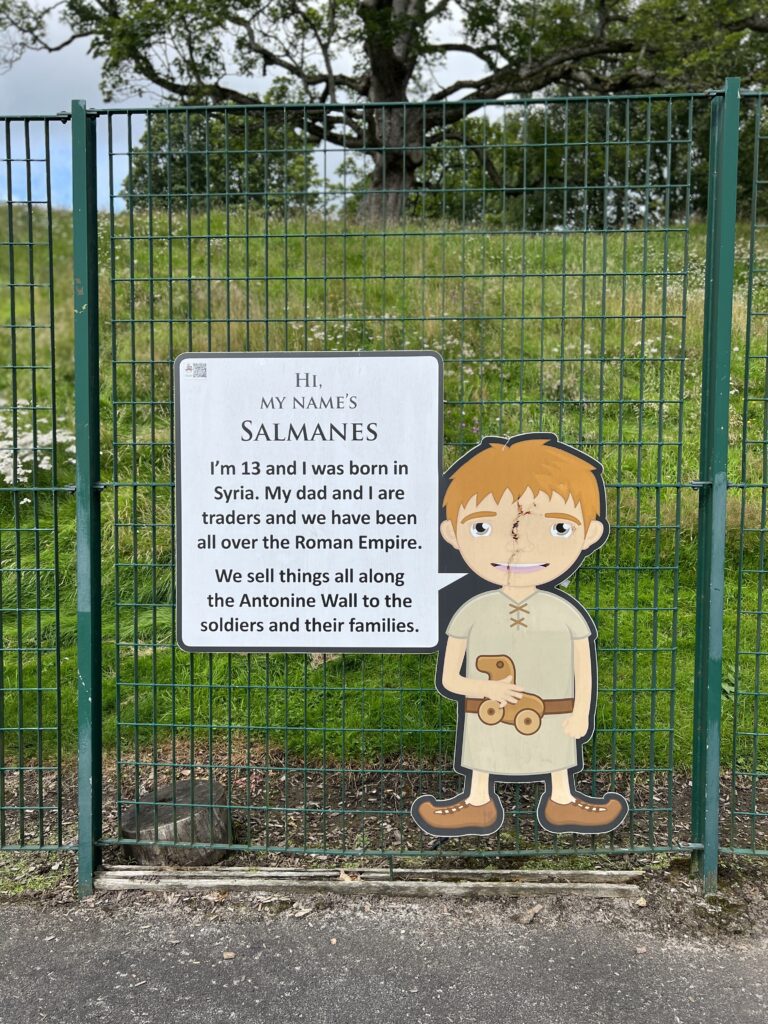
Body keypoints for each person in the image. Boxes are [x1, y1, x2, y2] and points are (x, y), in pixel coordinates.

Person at [412, 433, 629, 837]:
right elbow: (449, 678)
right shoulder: (472, 611)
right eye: (481, 527)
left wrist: (581, 712)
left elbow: (584, 667)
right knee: (484, 750)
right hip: (488, 715)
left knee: (555, 751)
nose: (521, 543)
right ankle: (477, 801)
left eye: (559, 528)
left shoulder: (566, 615)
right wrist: (484, 689)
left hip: (553, 713)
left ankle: (562, 799)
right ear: (452, 534)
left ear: (589, 535)